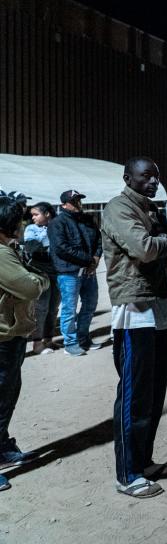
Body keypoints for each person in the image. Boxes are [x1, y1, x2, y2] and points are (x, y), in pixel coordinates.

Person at [100, 156, 167, 498]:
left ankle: (143, 461)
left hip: (157, 301)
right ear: (127, 177)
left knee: (155, 390)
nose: (153, 181)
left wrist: (162, 241)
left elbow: (159, 248)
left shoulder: (151, 208)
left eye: (156, 176)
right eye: (146, 175)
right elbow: (144, 249)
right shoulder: (119, 207)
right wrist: (166, 242)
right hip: (134, 307)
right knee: (133, 394)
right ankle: (128, 474)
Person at [0, 194, 49, 491]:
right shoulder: (1, 253)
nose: (23, 224)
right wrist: (40, 279)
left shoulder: (8, 249)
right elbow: (31, 287)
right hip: (3, 336)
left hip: (11, 334)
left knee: (8, 395)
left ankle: (3, 446)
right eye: (19, 219)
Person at [47, 189, 102, 356]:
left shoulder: (87, 220)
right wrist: (89, 261)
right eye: (74, 201)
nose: (78, 203)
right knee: (69, 309)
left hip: (88, 271)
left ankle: (83, 338)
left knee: (90, 304)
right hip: (68, 273)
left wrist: (96, 257)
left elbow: (98, 239)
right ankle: (70, 343)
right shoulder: (57, 223)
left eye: (79, 200)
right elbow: (62, 248)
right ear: (64, 204)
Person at [23, 202, 60, 355]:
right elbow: (31, 247)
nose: (33, 218)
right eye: (32, 215)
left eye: (36, 214)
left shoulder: (57, 226)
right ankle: (37, 344)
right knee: (41, 308)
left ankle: (48, 339)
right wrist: (50, 239)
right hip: (40, 272)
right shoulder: (31, 229)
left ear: (47, 214)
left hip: (57, 272)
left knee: (53, 308)